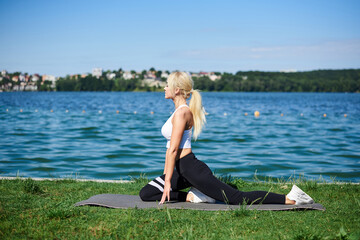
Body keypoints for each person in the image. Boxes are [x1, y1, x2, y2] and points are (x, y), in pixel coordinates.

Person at [139, 71, 314, 206]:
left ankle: (290, 198)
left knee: (237, 198)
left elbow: (174, 150)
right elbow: (170, 148)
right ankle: (195, 196)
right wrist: (166, 175)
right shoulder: (177, 112)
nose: (164, 88)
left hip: (191, 169)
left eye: (167, 85)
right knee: (147, 193)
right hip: (180, 169)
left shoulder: (183, 112)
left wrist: (168, 180)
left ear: (176, 90)